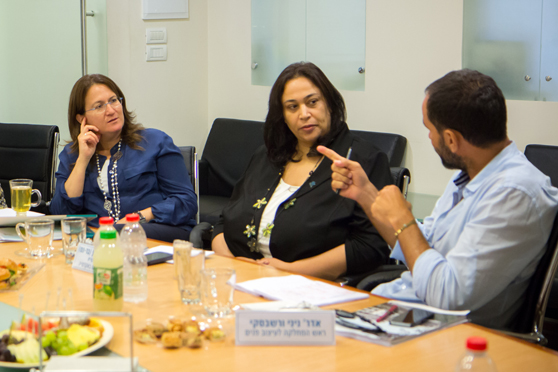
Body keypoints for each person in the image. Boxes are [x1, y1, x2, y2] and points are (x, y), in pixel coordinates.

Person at [319, 69, 558, 328]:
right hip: (400, 313)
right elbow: (419, 247)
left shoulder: (515, 194)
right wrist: (366, 195)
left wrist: (403, 219)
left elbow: (447, 297)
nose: (430, 138)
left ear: (451, 140)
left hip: (442, 334)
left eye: (429, 129)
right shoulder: (474, 173)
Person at [211, 62, 392, 280]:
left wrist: (288, 271)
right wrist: (231, 265)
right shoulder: (266, 156)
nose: (304, 114)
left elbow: (370, 246)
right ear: (283, 116)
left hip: (312, 289)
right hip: (237, 280)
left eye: (312, 102)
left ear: (330, 104)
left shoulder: (362, 159)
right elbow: (224, 221)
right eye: (292, 107)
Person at [50, 74, 197, 242]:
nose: (111, 110)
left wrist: (138, 218)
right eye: (99, 106)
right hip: (100, 239)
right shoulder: (72, 154)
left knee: (117, 234)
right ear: (81, 118)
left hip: (161, 232)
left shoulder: (155, 142)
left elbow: (187, 201)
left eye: (113, 100)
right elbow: (60, 212)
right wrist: (83, 159)